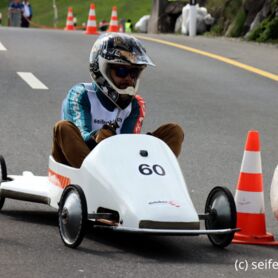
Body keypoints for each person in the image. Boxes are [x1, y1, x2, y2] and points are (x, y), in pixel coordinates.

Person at [52, 33, 184, 168]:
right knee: (63, 128)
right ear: (101, 69)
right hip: (81, 161)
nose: (129, 79)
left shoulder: (136, 104)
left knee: (173, 132)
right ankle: (96, 179)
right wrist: (97, 137)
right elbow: (81, 133)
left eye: (134, 73)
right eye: (121, 71)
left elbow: (128, 144)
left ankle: (153, 182)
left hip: (118, 165)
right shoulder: (81, 94)